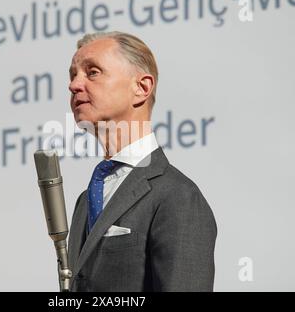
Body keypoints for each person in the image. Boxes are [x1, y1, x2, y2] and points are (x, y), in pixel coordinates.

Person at [67, 31, 217, 292]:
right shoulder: (85, 200)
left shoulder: (177, 196)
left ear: (142, 88)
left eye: (92, 72)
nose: (74, 85)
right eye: (73, 75)